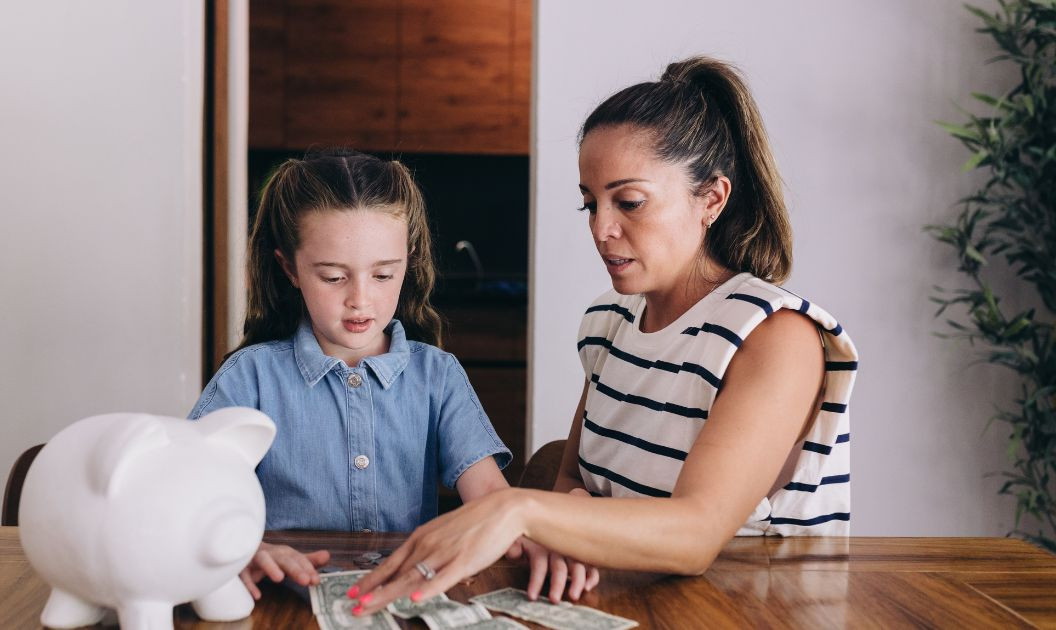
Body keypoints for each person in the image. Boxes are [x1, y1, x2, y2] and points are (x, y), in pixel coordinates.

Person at [348, 56, 859, 614]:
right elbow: (575, 476)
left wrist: (516, 509)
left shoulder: (774, 335)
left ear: (711, 198)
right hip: (629, 607)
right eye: (590, 203)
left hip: (746, 613)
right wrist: (556, 516)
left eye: (629, 202)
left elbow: (694, 536)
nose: (601, 229)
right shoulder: (610, 323)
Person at [188, 150, 577, 604]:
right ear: (290, 268)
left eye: (382, 274)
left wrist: (529, 537)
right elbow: (185, 492)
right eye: (334, 277)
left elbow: (489, 496)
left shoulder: (438, 376)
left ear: (407, 264)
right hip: (278, 603)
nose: (360, 299)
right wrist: (244, 549)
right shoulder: (249, 377)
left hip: (400, 599)